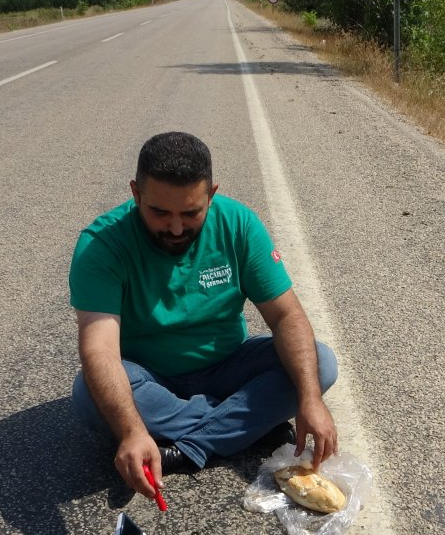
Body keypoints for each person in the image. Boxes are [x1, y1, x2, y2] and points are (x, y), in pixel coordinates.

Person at [69, 131, 339, 501]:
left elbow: (286, 317)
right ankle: (248, 425)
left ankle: (188, 446)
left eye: (191, 213)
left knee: (320, 364)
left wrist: (309, 399)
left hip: (226, 365)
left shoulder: (238, 224)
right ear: (136, 194)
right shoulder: (101, 246)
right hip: (150, 376)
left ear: (211, 195)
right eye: (159, 212)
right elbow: (100, 351)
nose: (176, 228)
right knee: (89, 394)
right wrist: (132, 431)